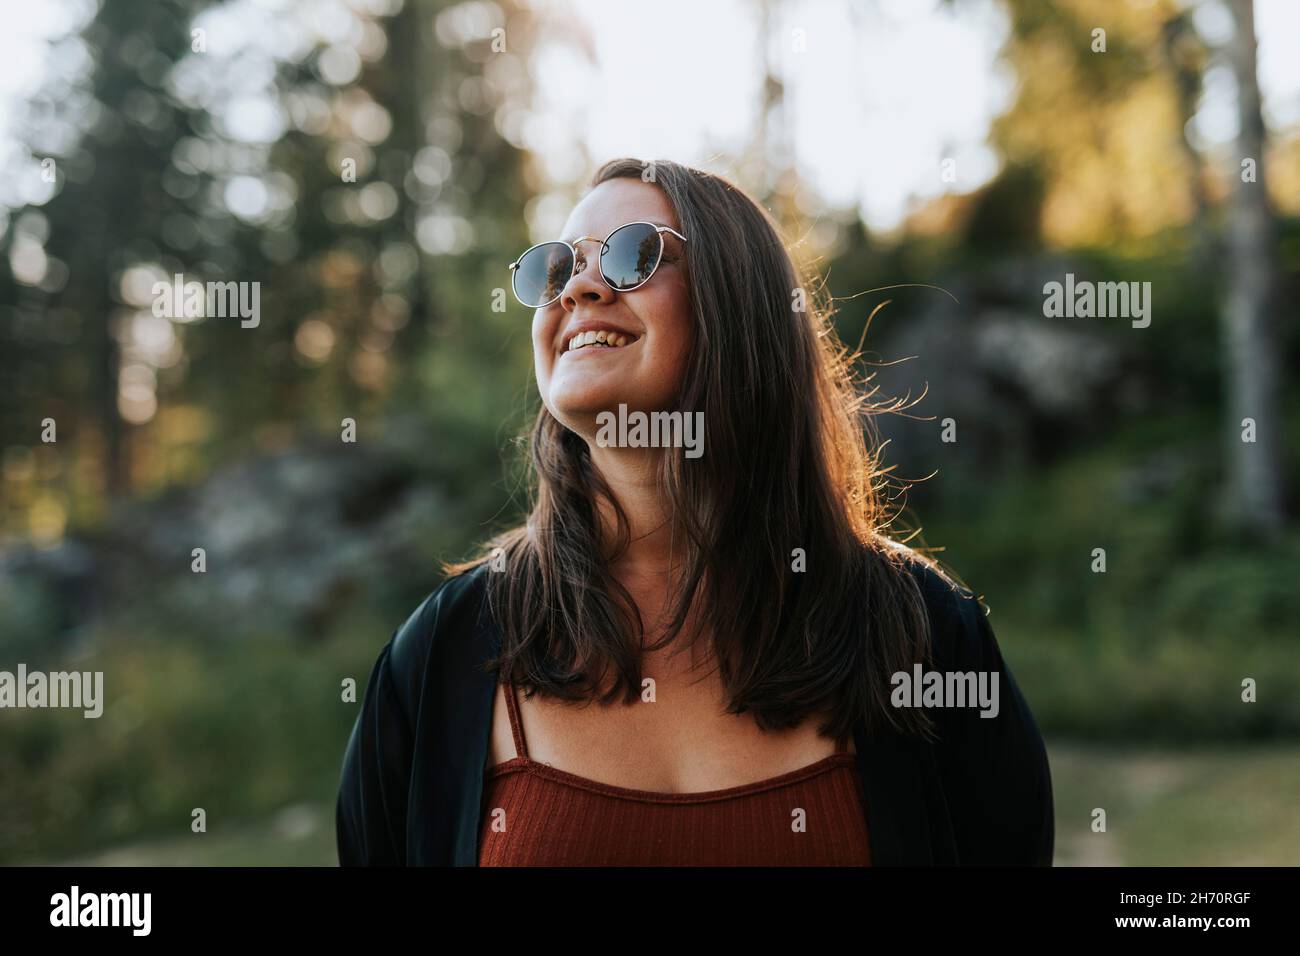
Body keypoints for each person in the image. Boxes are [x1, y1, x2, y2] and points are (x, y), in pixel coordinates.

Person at [336, 157, 1054, 866]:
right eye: (557, 270)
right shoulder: (443, 654)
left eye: (631, 255)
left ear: (740, 305)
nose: (579, 287)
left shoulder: (922, 636)